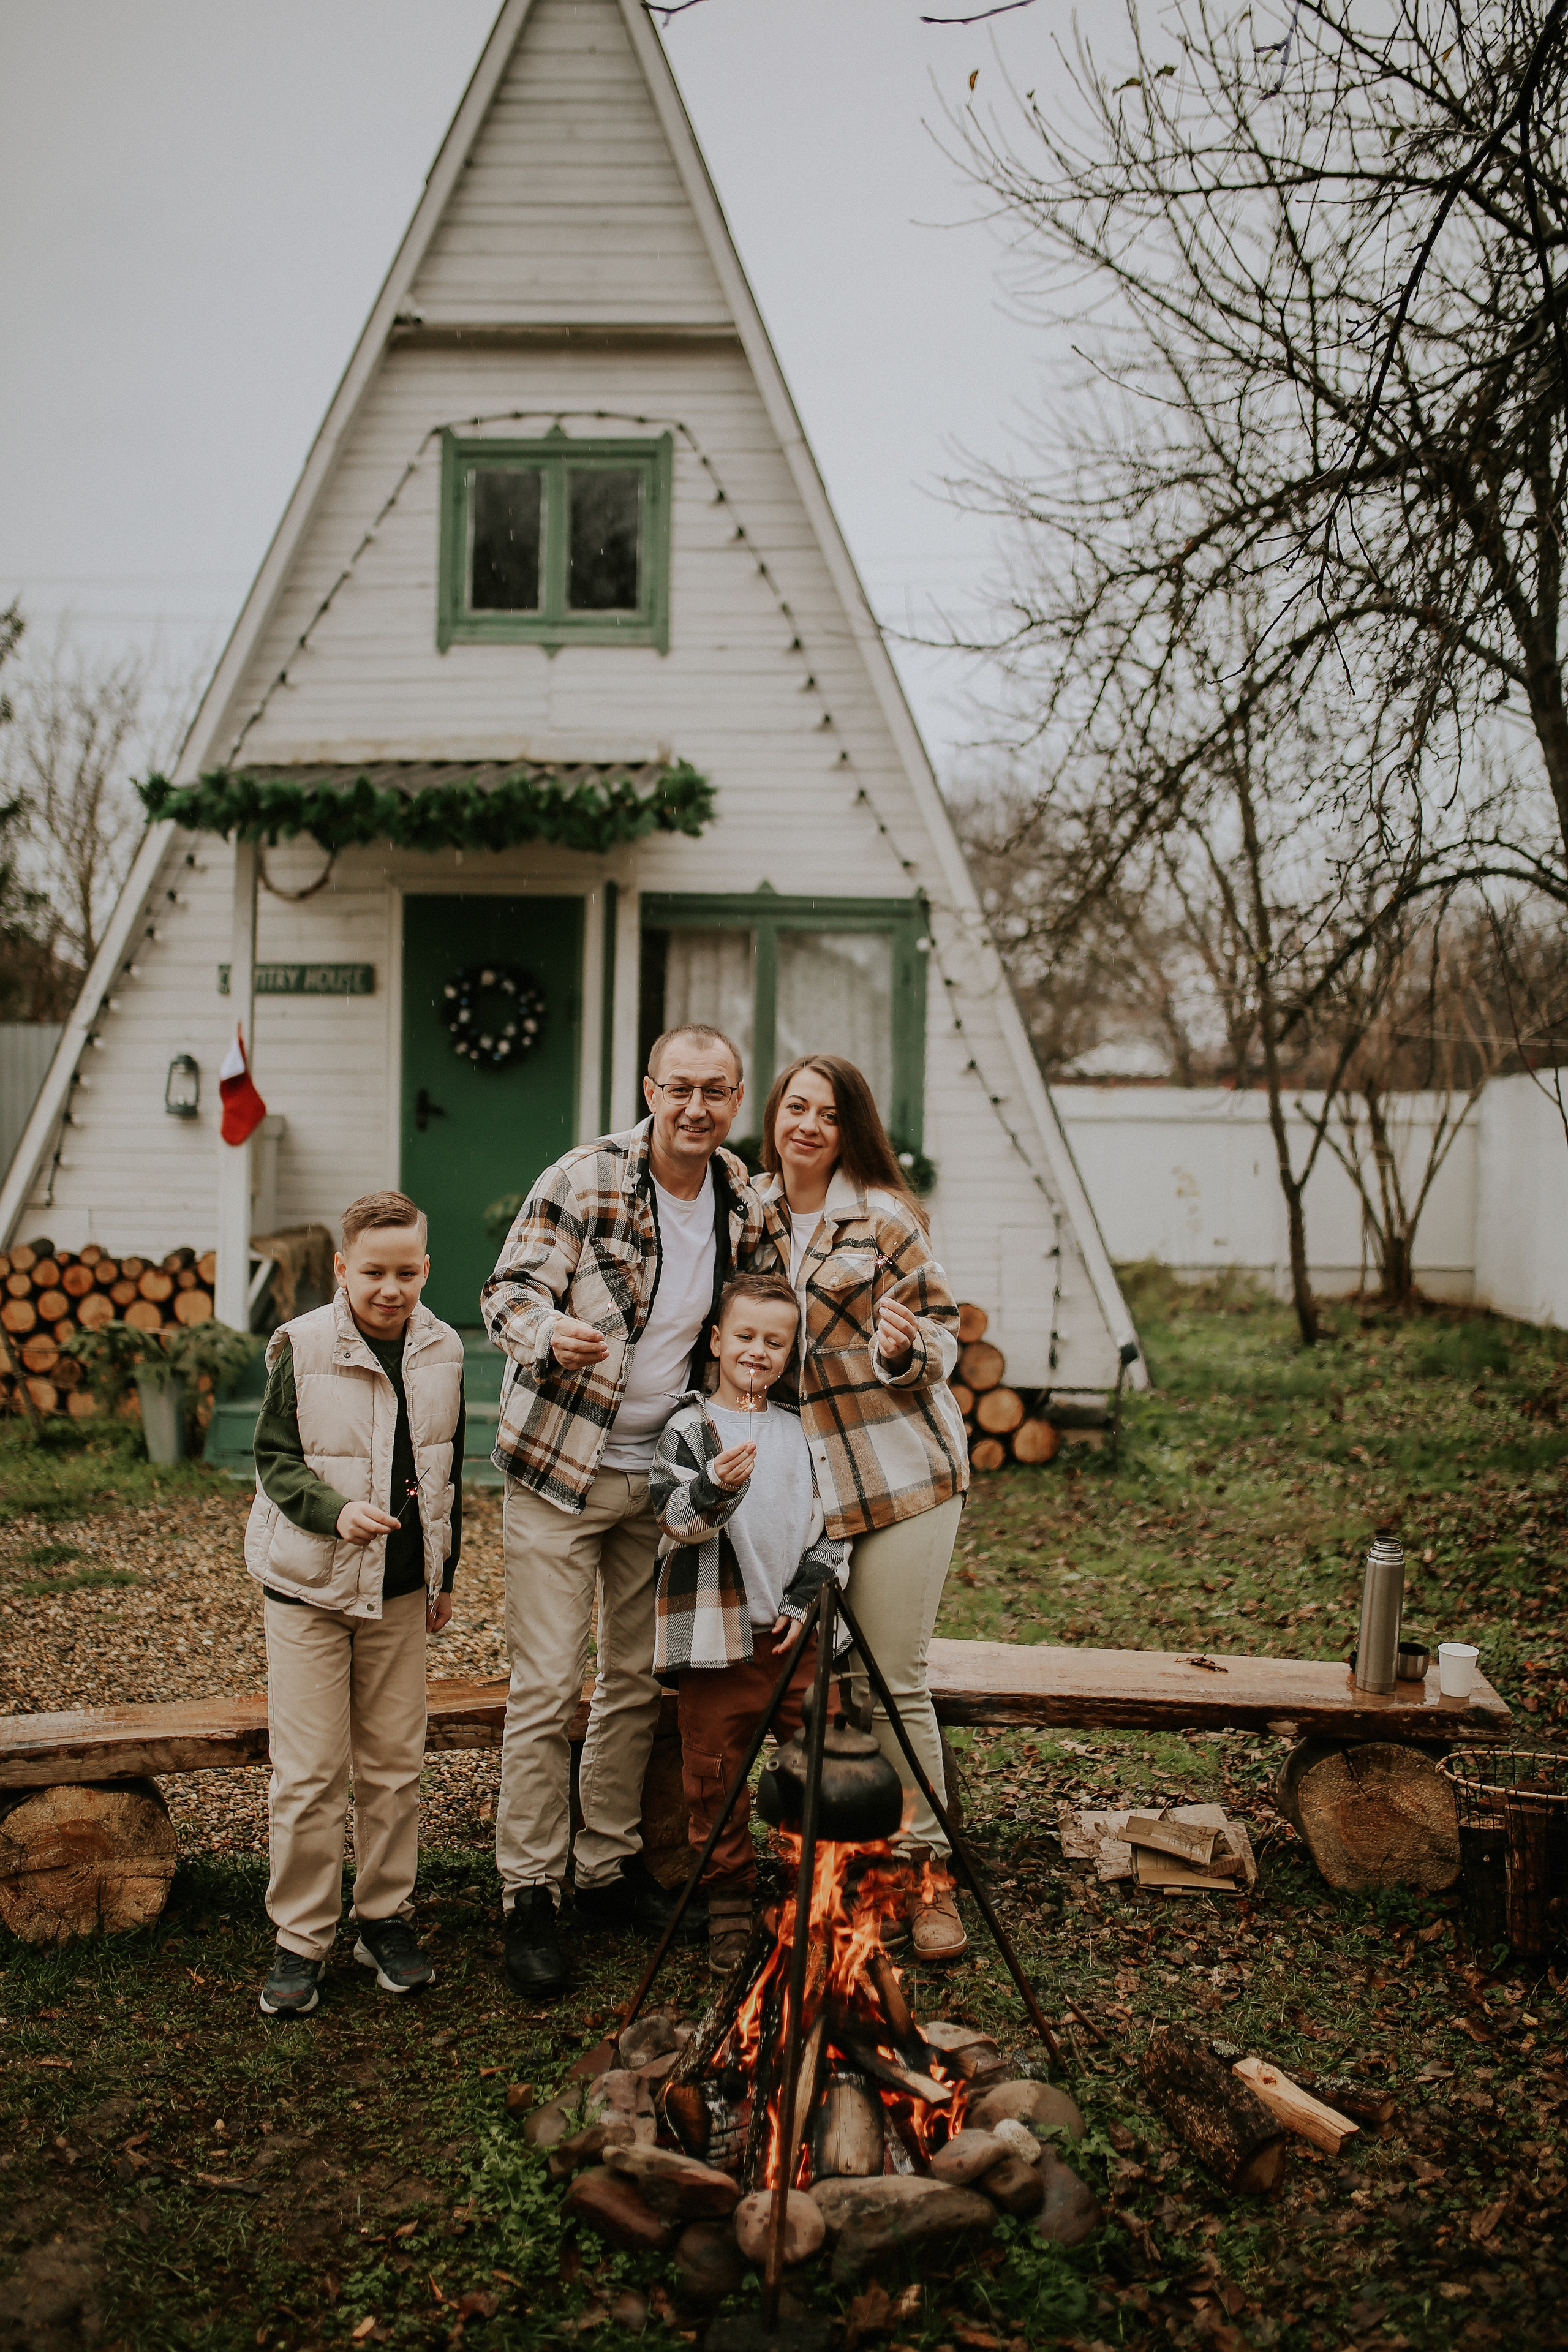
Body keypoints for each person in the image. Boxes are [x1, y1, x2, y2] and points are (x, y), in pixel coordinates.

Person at [480, 1023, 768, 1996]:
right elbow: (508, 1291)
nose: (696, 1107)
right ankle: (529, 1892)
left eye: (716, 1091)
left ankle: (604, 1870)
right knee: (548, 1685)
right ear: (650, 1090)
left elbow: (761, 1310)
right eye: (679, 1088)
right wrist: (546, 1333)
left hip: (661, 1474)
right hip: (561, 1465)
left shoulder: (740, 1197)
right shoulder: (585, 1177)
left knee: (638, 1681)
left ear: (736, 1100)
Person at [752, 1055, 970, 1961]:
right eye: (796, 1107)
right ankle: (845, 1868)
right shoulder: (750, 1213)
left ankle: (928, 1878)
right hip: (800, 1489)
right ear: (774, 1115)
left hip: (899, 1473)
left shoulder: (882, 1217)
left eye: (829, 1114)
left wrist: (904, 1347)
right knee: (823, 1684)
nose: (808, 1125)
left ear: (851, 1131)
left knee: (889, 1676)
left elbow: (947, 1335)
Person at [246, 1189, 466, 2018]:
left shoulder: (443, 1349)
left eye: (406, 1272)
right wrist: (333, 1512)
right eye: (373, 1272)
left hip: (400, 1591)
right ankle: (300, 1936)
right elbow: (274, 1458)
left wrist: (444, 1573)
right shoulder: (302, 1345)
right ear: (343, 1268)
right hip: (310, 1586)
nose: (390, 1288)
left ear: (425, 1269)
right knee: (310, 1773)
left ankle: (384, 1918)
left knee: (393, 1766)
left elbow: (444, 1467)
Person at [649, 1272, 848, 1973]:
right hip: (716, 1643)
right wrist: (716, 1485)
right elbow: (675, 1519)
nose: (757, 1351)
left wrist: (804, 1600)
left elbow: (835, 1531)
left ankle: (814, 1888)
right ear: (715, 1341)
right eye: (743, 1336)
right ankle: (728, 1897)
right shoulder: (688, 1429)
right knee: (714, 1777)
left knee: (821, 1766)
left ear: (790, 1354)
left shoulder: (804, 1432)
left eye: (774, 1341)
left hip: (794, 1640)